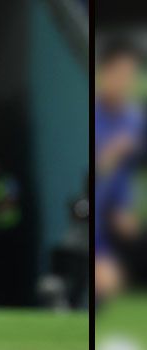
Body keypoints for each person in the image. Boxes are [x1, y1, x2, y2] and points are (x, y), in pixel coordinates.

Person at [94, 36, 144, 305]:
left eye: (131, 75)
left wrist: (123, 207)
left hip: (108, 221)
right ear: (105, 72)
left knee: (111, 280)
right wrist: (110, 153)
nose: (126, 82)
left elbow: (123, 173)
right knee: (105, 280)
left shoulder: (132, 118)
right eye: (122, 74)